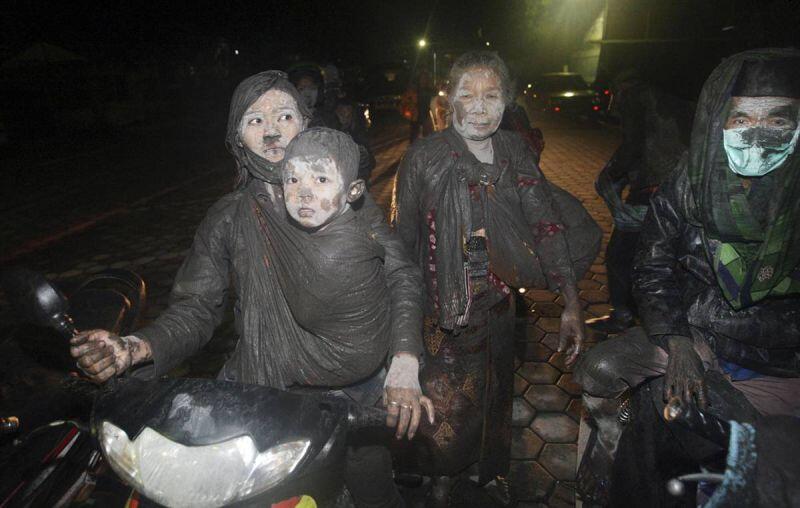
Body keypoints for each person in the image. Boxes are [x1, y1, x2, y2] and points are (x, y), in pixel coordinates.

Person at [70, 71, 427, 508]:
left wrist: (405, 362)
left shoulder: (346, 199)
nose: (272, 130)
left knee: (374, 489)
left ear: (305, 124)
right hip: (265, 392)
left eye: (283, 115)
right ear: (237, 138)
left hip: (356, 393)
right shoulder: (228, 217)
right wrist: (134, 347)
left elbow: (401, 274)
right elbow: (196, 309)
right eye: (254, 120)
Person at [575, 49, 800, 505]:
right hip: (694, 333)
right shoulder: (692, 177)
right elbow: (653, 262)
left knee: (691, 429)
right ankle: (601, 471)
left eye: (777, 121)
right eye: (741, 120)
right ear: (719, 120)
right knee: (599, 370)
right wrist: (677, 340)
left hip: (776, 363)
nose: (757, 136)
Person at [393, 51, 586, 506]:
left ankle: (483, 468)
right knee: (442, 409)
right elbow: (401, 247)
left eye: (491, 95)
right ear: (450, 101)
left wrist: (571, 300)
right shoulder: (424, 157)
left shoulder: (515, 151)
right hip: (440, 315)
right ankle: (437, 478)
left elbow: (547, 224)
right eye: (468, 95)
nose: (479, 106)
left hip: (497, 307)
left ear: (507, 102)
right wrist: (399, 331)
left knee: (492, 398)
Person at [586, 72, 693, 333]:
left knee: (620, 254)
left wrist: (610, 174)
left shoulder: (636, 94)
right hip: (680, 188)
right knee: (666, 253)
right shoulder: (675, 96)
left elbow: (633, 144)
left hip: (654, 189)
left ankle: (624, 316)